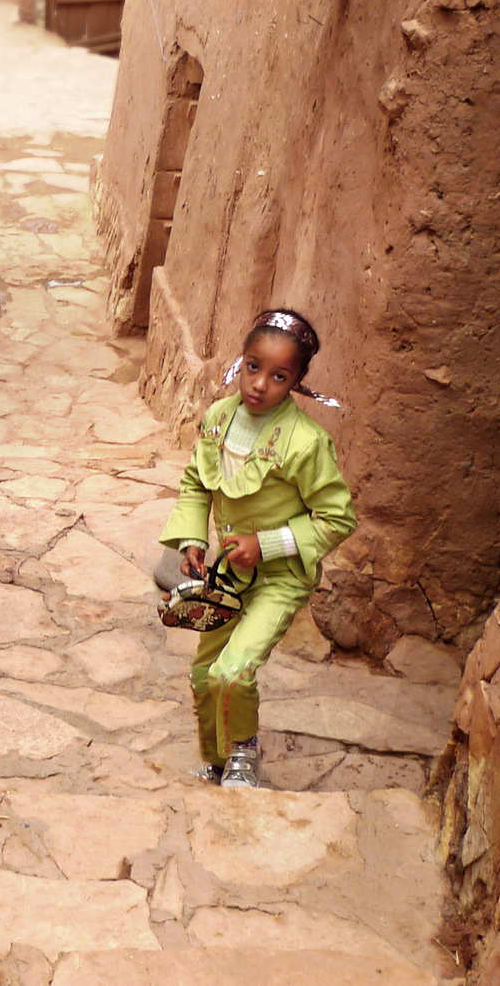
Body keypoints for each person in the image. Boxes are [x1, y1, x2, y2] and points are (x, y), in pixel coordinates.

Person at [157, 308, 357, 788]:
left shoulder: (307, 444)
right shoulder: (218, 419)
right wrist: (191, 539)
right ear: (240, 362)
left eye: (278, 375)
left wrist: (265, 545)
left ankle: (243, 754)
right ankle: (217, 758)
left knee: (233, 671)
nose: (260, 384)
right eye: (253, 366)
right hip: (227, 579)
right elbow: (195, 484)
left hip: (277, 577)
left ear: (297, 381)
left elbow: (337, 518)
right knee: (206, 672)